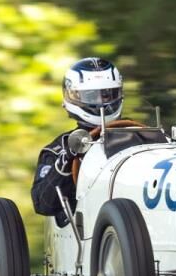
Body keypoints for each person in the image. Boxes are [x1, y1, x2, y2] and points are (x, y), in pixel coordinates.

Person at [31, 57, 123, 226]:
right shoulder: (58, 148)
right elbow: (43, 204)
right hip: (85, 226)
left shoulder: (142, 136)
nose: (101, 102)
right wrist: (67, 158)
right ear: (73, 96)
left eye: (107, 94)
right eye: (92, 96)